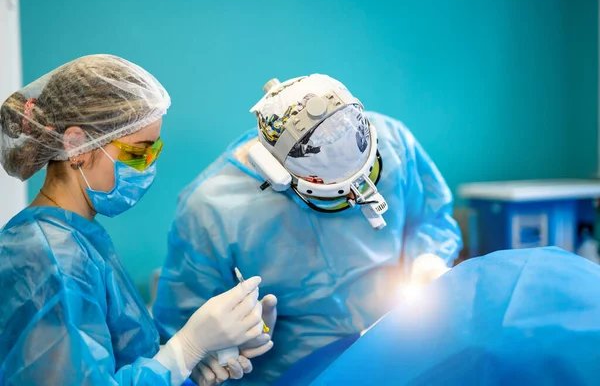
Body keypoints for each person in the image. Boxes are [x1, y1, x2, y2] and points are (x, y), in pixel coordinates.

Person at [153, 74, 462, 384]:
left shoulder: (394, 141)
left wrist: (429, 262)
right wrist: (210, 351)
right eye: (338, 196)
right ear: (275, 173)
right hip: (298, 375)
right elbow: (182, 321)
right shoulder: (212, 208)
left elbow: (431, 220)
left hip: (402, 348)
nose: (356, 200)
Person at [0, 55, 269, 386]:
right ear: (75, 145)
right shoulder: (48, 256)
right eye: (138, 152)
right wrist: (184, 350)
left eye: (154, 152)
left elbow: (108, 358)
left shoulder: (79, 237)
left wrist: (184, 361)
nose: (147, 167)